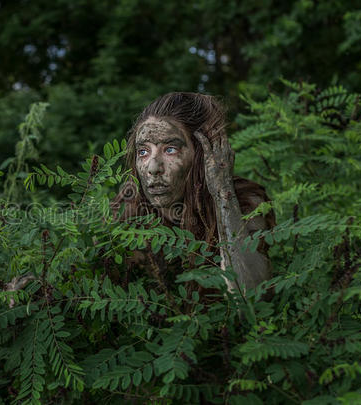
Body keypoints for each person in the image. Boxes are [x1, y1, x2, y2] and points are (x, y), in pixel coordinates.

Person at [112, 92, 275, 292]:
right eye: (143, 152)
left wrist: (223, 194)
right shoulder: (127, 211)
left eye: (170, 149)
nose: (153, 168)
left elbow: (251, 300)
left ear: (204, 153)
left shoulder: (243, 201)